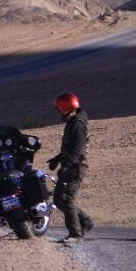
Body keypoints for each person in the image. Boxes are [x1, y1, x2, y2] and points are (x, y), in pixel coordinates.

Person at [47, 92, 94, 242]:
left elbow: (78, 147)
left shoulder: (77, 123)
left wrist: (70, 164)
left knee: (66, 199)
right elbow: (70, 146)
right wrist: (57, 158)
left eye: (58, 109)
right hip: (69, 165)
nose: (57, 112)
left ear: (65, 107)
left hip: (74, 167)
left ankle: (75, 234)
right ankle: (85, 221)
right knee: (59, 200)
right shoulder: (73, 122)